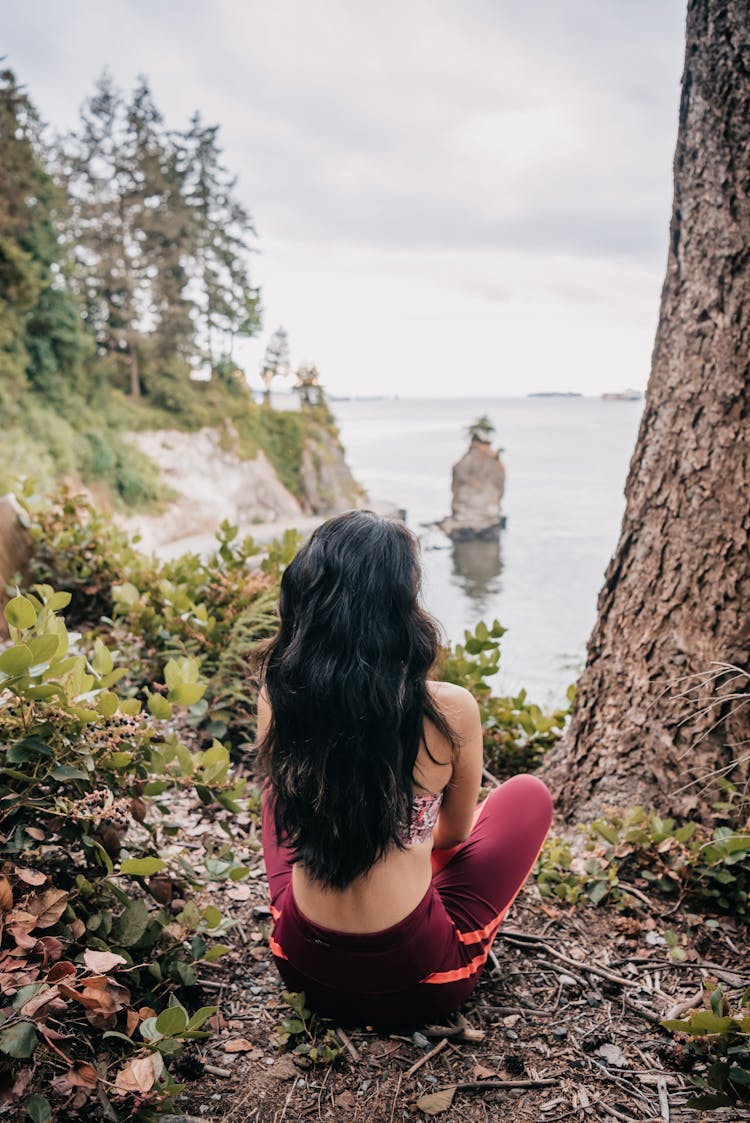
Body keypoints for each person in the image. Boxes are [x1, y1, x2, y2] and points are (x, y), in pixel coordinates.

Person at [257, 510, 552, 1028]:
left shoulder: (279, 694)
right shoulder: (450, 708)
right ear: (403, 606)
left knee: (277, 793)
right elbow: (453, 835)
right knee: (526, 796)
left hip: (301, 967)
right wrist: (408, 825)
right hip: (420, 984)